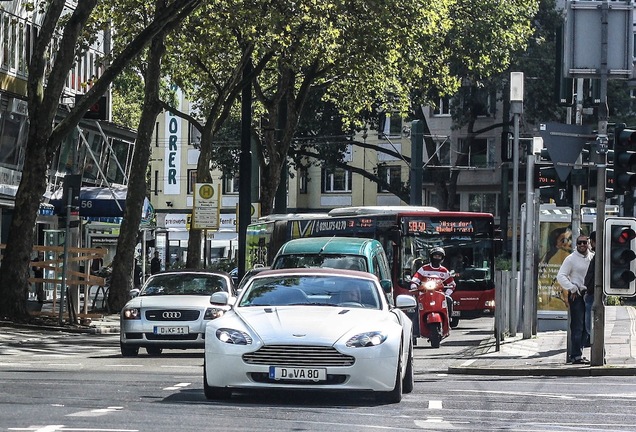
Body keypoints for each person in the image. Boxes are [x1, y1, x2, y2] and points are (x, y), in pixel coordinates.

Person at [556, 234, 593, 364]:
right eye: (579, 243)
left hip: (589, 294)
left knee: (588, 325)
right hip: (576, 294)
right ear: (576, 245)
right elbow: (561, 276)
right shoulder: (571, 259)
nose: (582, 245)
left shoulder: (592, 257)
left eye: (584, 243)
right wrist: (572, 288)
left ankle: (580, 352)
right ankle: (575, 355)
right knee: (578, 325)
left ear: (589, 243)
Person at [410, 247, 456, 317]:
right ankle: (416, 326)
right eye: (435, 256)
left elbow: (452, 285)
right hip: (424, 295)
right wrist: (414, 287)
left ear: (442, 258)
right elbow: (415, 280)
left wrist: (446, 294)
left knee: (449, 300)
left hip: (439, 296)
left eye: (439, 256)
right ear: (431, 257)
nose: (437, 258)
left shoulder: (444, 271)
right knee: (416, 311)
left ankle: (448, 319)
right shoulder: (423, 269)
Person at [583, 231, 596, 347]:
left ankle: (598, 350)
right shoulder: (598, 254)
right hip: (592, 292)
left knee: (590, 324)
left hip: (592, 293)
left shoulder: (597, 255)